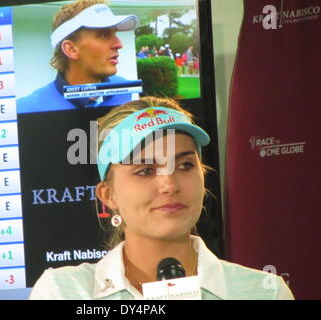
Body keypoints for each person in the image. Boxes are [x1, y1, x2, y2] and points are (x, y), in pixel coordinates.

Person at [29, 96, 294, 300]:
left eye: (185, 165)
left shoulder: (265, 291)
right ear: (108, 195)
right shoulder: (63, 291)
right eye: (145, 170)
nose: (169, 184)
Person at [17, 0, 139, 114]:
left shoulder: (125, 90)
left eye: (114, 34)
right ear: (71, 49)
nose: (119, 44)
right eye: (103, 35)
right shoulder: (28, 108)